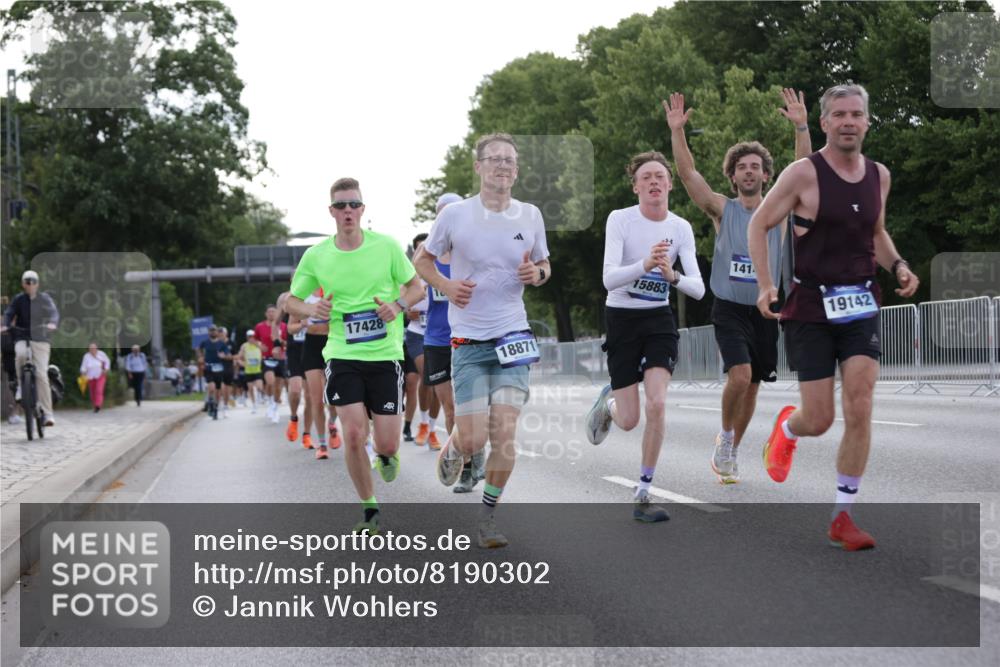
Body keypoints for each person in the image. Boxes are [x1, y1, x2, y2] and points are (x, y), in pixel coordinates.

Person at [748, 83, 919, 551]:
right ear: (824, 122)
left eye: (856, 114)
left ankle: (843, 515)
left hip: (861, 301)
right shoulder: (803, 174)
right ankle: (787, 428)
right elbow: (758, 224)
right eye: (839, 114)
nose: (848, 121)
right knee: (820, 419)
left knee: (860, 403)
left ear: (867, 122)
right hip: (810, 307)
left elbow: (877, 232)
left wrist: (899, 264)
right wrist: (767, 285)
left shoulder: (879, 175)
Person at [667, 88, 813, 483]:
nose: (749, 171)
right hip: (729, 307)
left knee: (753, 387)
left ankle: (730, 449)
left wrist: (802, 125)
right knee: (740, 375)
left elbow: (803, 167)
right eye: (741, 167)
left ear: (767, 175)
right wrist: (677, 131)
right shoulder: (721, 209)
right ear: (732, 176)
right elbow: (687, 175)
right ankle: (726, 436)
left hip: (767, 307)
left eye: (755, 167)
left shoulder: (780, 211)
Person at [415, 133, 551, 548]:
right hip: (469, 342)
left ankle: (488, 518)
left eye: (510, 160)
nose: (503, 166)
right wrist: (445, 283)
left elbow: (544, 263)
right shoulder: (455, 215)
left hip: (513, 338)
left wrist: (538, 274)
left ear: (517, 169)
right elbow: (422, 259)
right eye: (494, 159)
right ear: (478, 167)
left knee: (504, 434)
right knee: (474, 438)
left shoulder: (530, 215)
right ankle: (456, 447)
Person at [287, 177, 424, 534]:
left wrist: (397, 305)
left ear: (362, 210)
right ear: (331, 212)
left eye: (353, 204)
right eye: (341, 205)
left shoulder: (388, 247)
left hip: (385, 356)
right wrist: (310, 310)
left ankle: (386, 455)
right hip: (342, 355)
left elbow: (416, 287)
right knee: (351, 434)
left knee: (388, 443)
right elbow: (289, 301)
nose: (348, 211)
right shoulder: (316, 256)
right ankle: (370, 510)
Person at [585, 150, 706, 522]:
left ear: (670, 184)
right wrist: (645, 264)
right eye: (646, 177)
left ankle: (643, 492)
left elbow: (699, 289)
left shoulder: (680, 228)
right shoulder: (621, 220)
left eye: (660, 176)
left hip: (658, 320)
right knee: (630, 420)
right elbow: (608, 278)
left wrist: (671, 276)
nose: (654, 181)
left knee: (657, 404)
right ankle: (609, 406)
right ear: (636, 186)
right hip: (621, 318)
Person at [415, 193, 486, 492]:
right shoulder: (425, 255)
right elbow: (415, 290)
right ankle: (466, 465)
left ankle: (474, 457)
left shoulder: (472, 251)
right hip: (436, 339)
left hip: (469, 336)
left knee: (471, 406)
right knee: (451, 408)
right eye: (442, 214)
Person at [2, 270, 59, 426]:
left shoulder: (44, 299)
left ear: (38, 284)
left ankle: (48, 414)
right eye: (27, 282)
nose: (30, 284)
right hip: (22, 336)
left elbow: (54, 312)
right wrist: (5, 325)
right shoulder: (19, 299)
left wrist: (53, 323)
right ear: (23, 284)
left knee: (41, 373)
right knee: (20, 355)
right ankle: (21, 387)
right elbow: (9, 313)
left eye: (33, 281)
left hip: (41, 339)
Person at [403, 233, 442, 448]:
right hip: (417, 334)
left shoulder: (443, 271)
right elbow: (405, 307)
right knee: (427, 376)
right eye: (418, 248)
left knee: (438, 384)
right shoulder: (411, 276)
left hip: (440, 334)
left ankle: (433, 429)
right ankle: (423, 424)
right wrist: (410, 310)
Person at [301, 286, 341, 460]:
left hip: (332, 344)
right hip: (311, 347)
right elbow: (291, 326)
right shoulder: (303, 295)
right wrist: (301, 323)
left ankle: (332, 423)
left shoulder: (334, 289)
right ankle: (322, 444)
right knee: (316, 399)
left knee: (334, 398)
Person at [277, 291, 311, 448]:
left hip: (312, 349)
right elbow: (277, 324)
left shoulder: (316, 296)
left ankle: (307, 434)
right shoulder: (287, 298)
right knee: (296, 390)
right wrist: (277, 343)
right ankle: (293, 418)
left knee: (311, 397)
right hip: (294, 351)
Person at [254, 305, 286, 424]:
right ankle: (271, 402)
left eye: (274, 312)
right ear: (266, 314)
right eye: (269, 312)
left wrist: (279, 340)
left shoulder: (283, 326)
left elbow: (288, 342)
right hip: (267, 358)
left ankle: (275, 407)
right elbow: (255, 339)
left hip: (280, 358)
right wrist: (259, 345)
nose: (272, 314)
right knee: (270, 382)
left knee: (278, 386)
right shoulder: (260, 326)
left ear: (277, 313)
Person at [197, 325, 230, 418]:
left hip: (219, 368)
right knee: (211, 387)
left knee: (218, 389)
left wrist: (223, 356)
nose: (212, 332)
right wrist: (200, 357)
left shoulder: (221, 343)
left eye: (214, 331)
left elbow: (227, 354)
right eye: (211, 331)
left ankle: (215, 405)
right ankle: (210, 401)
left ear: (217, 332)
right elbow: (198, 349)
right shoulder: (205, 342)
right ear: (208, 332)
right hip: (208, 367)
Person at [236, 330, 265, 413]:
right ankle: (254, 405)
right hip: (248, 371)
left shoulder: (258, 344)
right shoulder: (244, 346)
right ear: (247, 337)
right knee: (250, 388)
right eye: (249, 337)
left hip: (257, 370)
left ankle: (260, 397)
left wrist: (256, 344)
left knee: (259, 386)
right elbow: (239, 357)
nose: (251, 338)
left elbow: (265, 351)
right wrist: (241, 363)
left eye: (252, 336)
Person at [80, 342, 111, 412]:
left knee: (99, 390)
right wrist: (83, 372)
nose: (92, 349)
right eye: (91, 348)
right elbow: (83, 366)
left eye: (94, 348)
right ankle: (95, 405)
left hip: (100, 374)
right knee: (92, 392)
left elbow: (107, 361)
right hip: (90, 376)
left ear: (97, 348)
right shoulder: (86, 356)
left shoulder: (101, 354)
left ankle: (98, 405)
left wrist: (106, 369)